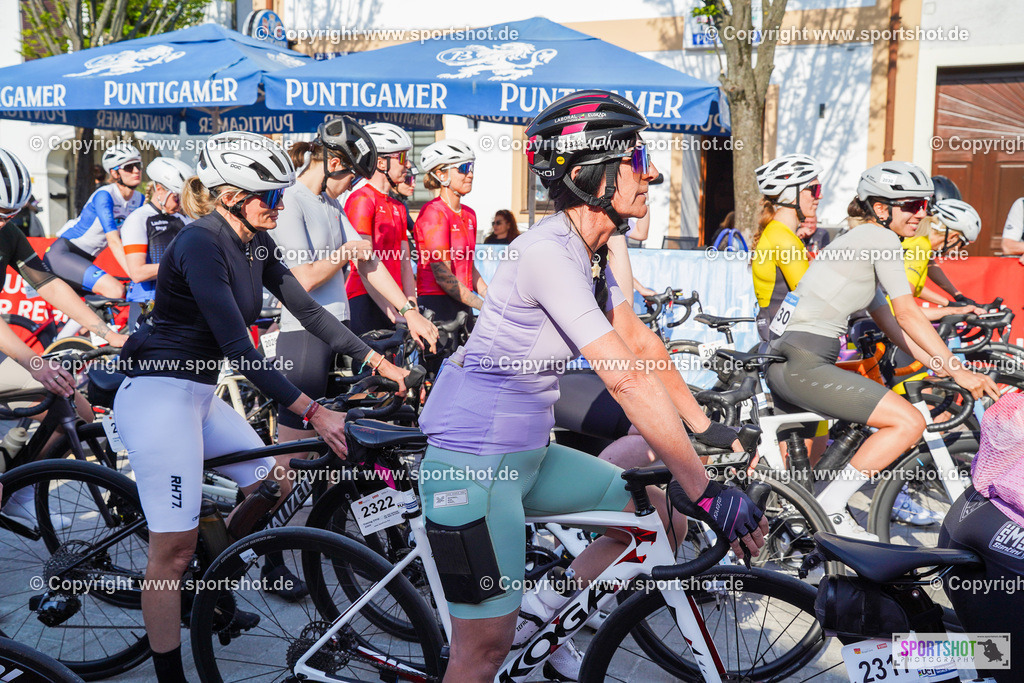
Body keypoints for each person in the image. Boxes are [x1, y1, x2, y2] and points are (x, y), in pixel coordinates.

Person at [416, 90, 767, 683]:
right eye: (635, 157)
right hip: (472, 463)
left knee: (656, 518)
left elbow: (638, 345)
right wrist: (705, 488)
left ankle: (542, 610)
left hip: (527, 453)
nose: (651, 171)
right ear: (588, 175)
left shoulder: (593, 250)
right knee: (481, 653)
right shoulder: (547, 252)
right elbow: (624, 377)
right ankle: (515, 631)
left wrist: (704, 434)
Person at [111, 131, 410, 683]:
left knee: (276, 480)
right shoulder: (200, 242)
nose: (278, 203)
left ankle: (213, 578)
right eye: (267, 197)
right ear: (230, 198)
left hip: (197, 397)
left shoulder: (256, 240)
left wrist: (381, 364)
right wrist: (315, 411)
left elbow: (313, 314)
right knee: (171, 553)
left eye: (280, 194)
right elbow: (240, 351)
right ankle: (171, 671)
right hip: (158, 395)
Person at [764, 161, 999, 541]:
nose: (920, 214)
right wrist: (958, 371)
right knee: (908, 422)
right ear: (880, 207)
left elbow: (894, 327)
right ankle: (831, 507)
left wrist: (938, 365)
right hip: (805, 360)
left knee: (819, 453)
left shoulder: (860, 241)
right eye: (909, 205)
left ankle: (800, 518)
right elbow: (908, 314)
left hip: (794, 358)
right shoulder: (880, 240)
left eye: (924, 205)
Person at [0, 148, 129, 527]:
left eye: (12, 213)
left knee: (71, 401)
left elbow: (49, 284)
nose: (5, 221)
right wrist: (34, 362)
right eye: (0, 212)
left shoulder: (8, 233)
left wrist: (106, 332)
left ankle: (20, 494)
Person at [939, 393, 1024, 683]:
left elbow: (1009, 412)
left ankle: (925, 656)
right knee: (1006, 663)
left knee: (993, 656)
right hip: (1010, 537)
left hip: (970, 508)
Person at [344, 122, 419, 335]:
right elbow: (362, 263)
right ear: (381, 162)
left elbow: (405, 264)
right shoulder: (361, 199)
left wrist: (411, 307)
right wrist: (392, 313)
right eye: (402, 158)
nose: (407, 165)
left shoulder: (398, 206)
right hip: (365, 300)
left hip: (395, 302)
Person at [44, 142, 145, 299]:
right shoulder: (105, 195)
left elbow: (135, 239)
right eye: (129, 167)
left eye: (138, 165)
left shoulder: (139, 199)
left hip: (86, 259)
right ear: (115, 173)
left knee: (93, 311)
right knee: (115, 291)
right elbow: (113, 240)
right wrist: (135, 273)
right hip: (63, 254)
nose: (136, 171)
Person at [750, 153, 823, 343]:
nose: (820, 196)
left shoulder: (780, 233)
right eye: (815, 189)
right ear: (792, 193)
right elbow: (811, 295)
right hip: (786, 341)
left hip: (783, 335)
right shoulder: (783, 239)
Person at [415, 139, 487, 320]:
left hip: (464, 300)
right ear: (441, 174)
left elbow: (469, 268)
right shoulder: (434, 212)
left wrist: (493, 299)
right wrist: (483, 305)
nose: (470, 174)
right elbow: (443, 277)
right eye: (463, 168)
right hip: (437, 303)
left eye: (471, 167)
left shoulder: (469, 214)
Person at [120, 157, 194, 306]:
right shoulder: (139, 219)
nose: (181, 203)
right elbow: (137, 273)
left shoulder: (184, 218)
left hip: (181, 298)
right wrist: (183, 265)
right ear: (159, 189)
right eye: (176, 197)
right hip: (148, 301)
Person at [902, 198, 984, 319]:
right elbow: (904, 307)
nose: (957, 251)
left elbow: (925, 273)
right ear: (953, 237)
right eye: (961, 246)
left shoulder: (917, 240)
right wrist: (952, 310)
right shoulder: (920, 248)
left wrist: (954, 300)